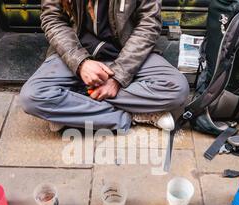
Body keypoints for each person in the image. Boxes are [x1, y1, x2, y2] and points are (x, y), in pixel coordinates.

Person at [20, 0, 190, 133]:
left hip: (126, 53)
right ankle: (133, 115)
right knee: (32, 97)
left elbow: (149, 25)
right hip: (76, 52)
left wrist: (117, 77)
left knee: (177, 88)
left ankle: (72, 109)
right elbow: (53, 19)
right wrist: (80, 63)